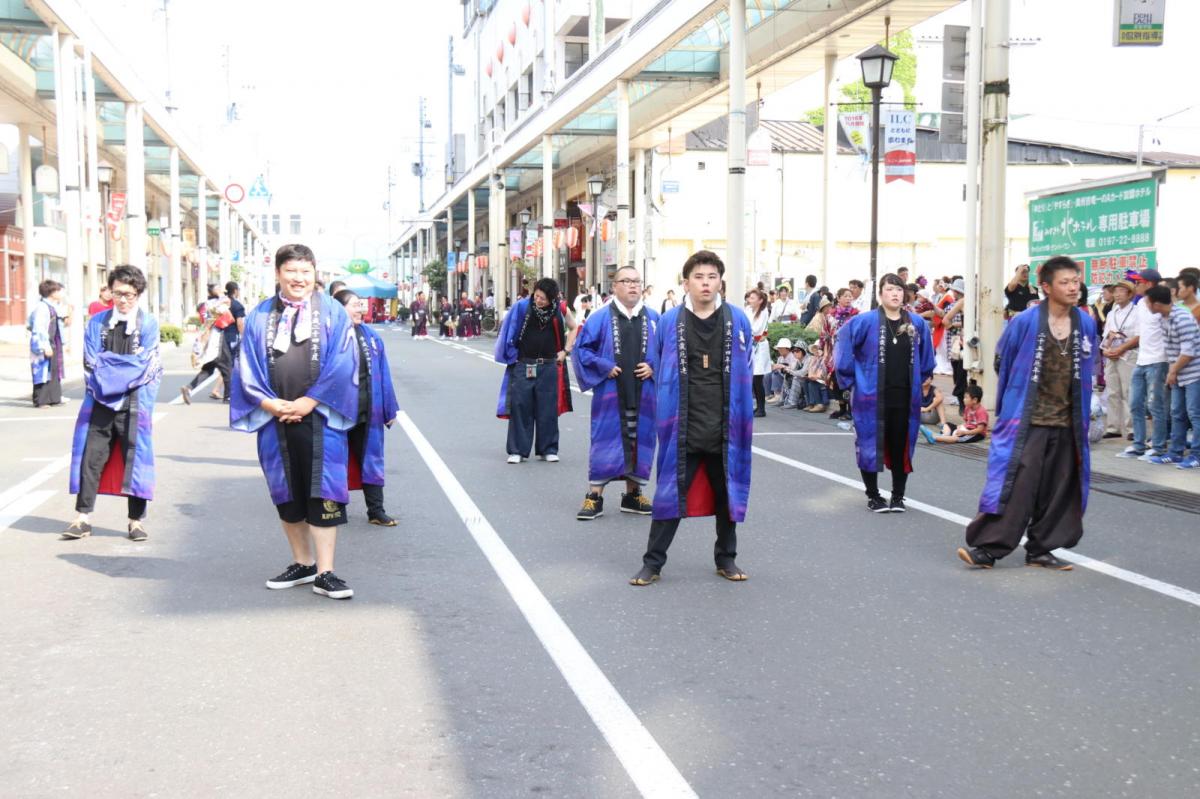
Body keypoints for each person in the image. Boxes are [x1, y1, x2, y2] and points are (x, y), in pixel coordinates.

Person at [230, 244, 360, 600]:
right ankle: (302, 562)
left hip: (322, 417)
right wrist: (269, 403)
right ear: (278, 274)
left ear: (315, 273)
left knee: (324, 492)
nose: (299, 278)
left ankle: (326, 570)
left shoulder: (333, 312)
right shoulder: (259, 316)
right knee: (286, 492)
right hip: (276, 419)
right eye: (291, 271)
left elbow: (344, 363)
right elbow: (246, 365)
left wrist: (307, 401)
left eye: (305, 271)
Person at [958, 256, 1098, 571]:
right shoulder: (1024, 322)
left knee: (1058, 487)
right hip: (1027, 420)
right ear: (1046, 287)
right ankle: (989, 548)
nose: (1073, 287)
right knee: (1016, 485)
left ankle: (1041, 549)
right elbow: (1001, 361)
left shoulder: (1086, 323)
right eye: (1065, 282)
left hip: (1067, 422)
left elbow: (1092, 364)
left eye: (1075, 281)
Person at [630, 251, 753, 586]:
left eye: (712, 277)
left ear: (720, 282)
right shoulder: (670, 322)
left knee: (727, 495)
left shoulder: (737, 320)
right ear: (686, 283)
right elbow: (654, 366)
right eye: (699, 277)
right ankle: (652, 563)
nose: (706, 283)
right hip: (682, 424)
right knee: (668, 495)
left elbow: (748, 366)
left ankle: (726, 558)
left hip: (724, 425)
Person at [62, 266, 161, 542]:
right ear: (110, 293)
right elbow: (91, 363)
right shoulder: (96, 323)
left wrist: (111, 368)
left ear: (138, 294)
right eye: (117, 293)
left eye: (129, 294)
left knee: (135, 459)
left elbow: (147, 366)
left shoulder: (149, 324)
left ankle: (135, 521)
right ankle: (82, 518)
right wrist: (120, 371)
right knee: (91, 457)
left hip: (135, 401)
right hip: (100, 400)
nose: (123, 300)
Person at [835, 273, 936, 513]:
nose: (895, 294)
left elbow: (926, 358)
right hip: (870, 397)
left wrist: (920, 381)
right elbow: (843, 346)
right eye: (890, 289)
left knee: (902, 444)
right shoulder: (864, 322)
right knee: (870, 442)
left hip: (905, 396)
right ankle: (873, 495)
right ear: (881, 293)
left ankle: (898, 496)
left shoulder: (916, 323)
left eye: (899, 290)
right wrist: (850, 381)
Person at [572, 266, 659, 520]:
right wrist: (604, 366)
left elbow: (671, 352)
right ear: (615, 286)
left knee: (638, 442)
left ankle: (633, 495)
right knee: (605, 441)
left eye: (636, 281)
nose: (633, 286)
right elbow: (581, 351)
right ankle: (594, 497)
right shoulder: (599, 318)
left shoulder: (654, 318)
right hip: (611, 395)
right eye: (626, 281)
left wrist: (654, 366)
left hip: (644, 396)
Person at [334, 289, 402, 523]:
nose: (360, 309)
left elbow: (384, 373)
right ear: (339, 308)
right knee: (336, 461)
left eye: (360, 305)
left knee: (371, 459)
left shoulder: (371, 336)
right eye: (354, 305)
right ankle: (336, 509)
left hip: (367, 411)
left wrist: (389, 409)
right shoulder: (327, 337)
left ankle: (376, 510)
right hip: (335, 414)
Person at [494, 277, 577, 464]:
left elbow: (574, 327)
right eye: (537, 296)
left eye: (544, 299)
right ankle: (517, 450)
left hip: (549, 365)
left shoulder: (561, 309)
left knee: (547, 408)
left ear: (552, 299)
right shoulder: (522, 307)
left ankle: (548, 449)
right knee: (520, 406)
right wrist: (509, 354)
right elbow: (507, 330)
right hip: (524, 363)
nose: (539, 301)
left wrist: (566, 351)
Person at [1143, 285, 1200, 467]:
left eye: (1147, 302)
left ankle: (1196, 455)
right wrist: (1173, 370)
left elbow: (1188, 351)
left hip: (1194, 373)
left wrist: (1172, 370)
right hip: (1179, 373)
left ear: (1157, 304)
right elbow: (1171, 349)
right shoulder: (1163, 318)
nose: (1146, 305)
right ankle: (1176, 452)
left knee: (1194, 414)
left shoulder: (1182, 318)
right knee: (1177, 413)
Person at [1117, 269, 1168, 459]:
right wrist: (1122, 347)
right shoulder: (1139, 306)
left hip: (1158, 360)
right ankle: (1139, 444)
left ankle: (1159, 446)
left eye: (1139, 282)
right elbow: (1139, 335)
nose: (1135, 285)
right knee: (1135, 403)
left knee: (1156, 406)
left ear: (1149, 284)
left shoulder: (1162, 306)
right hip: (1141, 359)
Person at [1100, 279, 1139, 440]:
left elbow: (1138, 336)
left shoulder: (1137, 311)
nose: (1116, 294)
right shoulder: (1111, 312)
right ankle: (1113, 427)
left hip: (1129, 355)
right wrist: (1106, 350)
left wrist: (1121, 349)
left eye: (1121, 291)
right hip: (1112, 354)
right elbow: (1107, 335)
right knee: (1112, 391)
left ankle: (1131, 428)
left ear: (1130, 294)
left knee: (1129, 391)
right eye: (1115, 291)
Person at [180, 295, 228, 404]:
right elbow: (207, 328)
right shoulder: (211, 315)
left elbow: (204, 329)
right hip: (215, 347)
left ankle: (188, 388)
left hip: (211, 346)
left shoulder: (207, 314)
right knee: (227, 370)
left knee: (208, 371)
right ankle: (228, 397)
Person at [29, 279, 66, 408]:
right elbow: (38, 328)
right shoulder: (42, 307)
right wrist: (45, 345)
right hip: (44, 343)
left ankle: (54, 398)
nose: (60, 292)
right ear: (51, 292)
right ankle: (41, 400)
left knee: (53, 370)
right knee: (42, 372)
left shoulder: (51, 306)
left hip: (53, 341)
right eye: (57, 290)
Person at [921, 383, 988, 444]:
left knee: (956, 438)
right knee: (947, 425)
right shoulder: (968, 408)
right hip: (966, 429)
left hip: (975, 433)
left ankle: (934, 438)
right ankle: (944, 437)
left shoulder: (981, 411)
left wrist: (965, 432)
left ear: (975, 400)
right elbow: (968, 422)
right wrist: (961, 426)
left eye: (966, 397)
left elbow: (980, 429)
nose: (963, 399)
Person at [215, 281, 246, 403]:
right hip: (233, 337)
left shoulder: (221, 304)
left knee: (227, 365)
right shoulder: (237, 305)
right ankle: (231, 393)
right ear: (235, 291)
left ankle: (223, 391)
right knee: (235, 365)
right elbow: (240, 323)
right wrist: (244, 337)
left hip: (220, 336)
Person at [745, 288, 771, 417]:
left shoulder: (764, 311)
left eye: (753, 298)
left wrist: (745, 329)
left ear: (760, 300)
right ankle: (757, 406)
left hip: (759, 346)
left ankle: (762, 408)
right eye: (749, 297)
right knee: (752, 377)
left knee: (757, 377)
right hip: (750, 345)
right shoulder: (748, 310)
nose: (750, 300)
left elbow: (756, 329)